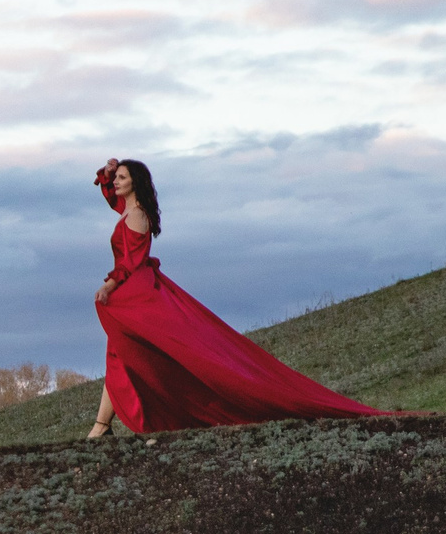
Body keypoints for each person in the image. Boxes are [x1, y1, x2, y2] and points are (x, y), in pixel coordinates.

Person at [87, 158, 384, 438]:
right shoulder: (127, 209)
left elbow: (132, 261)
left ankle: (102, 427)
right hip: (130, 293)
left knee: (123, 353)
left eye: (122, 177)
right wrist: (108, 173)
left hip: (138, 294)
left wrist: (109, 286)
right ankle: (102, 426)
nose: (117, 182)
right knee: (119, 353)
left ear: (136, 183)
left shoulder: (137, 214)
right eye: (117, 178)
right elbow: (111, 197)